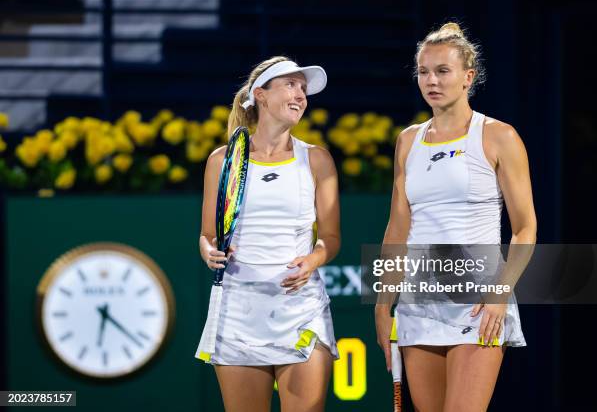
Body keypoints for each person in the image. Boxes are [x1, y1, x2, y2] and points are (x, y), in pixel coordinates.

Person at [375, 23, 537, 411]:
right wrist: (383, 304)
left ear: (468, 77)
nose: (431, 80)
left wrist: (499, 295)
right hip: (417, 302)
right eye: (424, 72)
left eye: (442, 71)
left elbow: (526, 228)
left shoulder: (499, 136)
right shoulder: (408, 141)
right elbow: (398, 229)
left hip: (479, 301)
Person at [194, 56, 341, 412]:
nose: (301, 95)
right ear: (260, 94)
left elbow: (331, 238)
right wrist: (208, 250)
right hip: (240, 310)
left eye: (304, 89)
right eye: (291, 85)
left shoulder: (317, 160)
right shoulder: (222, 161)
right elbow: (208, 234)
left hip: (301, 309)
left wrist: (313, 259)